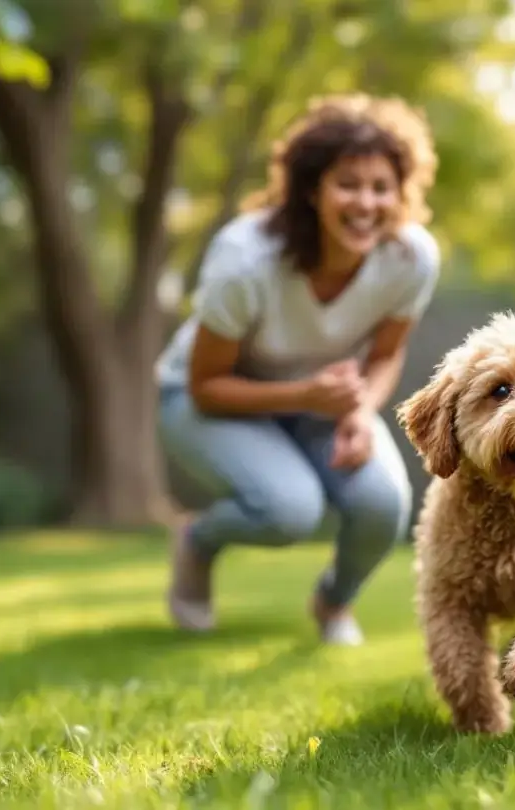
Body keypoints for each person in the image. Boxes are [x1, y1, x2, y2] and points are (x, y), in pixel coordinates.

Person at [154, 93, 441, 644]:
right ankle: (198, 539)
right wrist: (307, 396)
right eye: (348, 184)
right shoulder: (245, 260)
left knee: (383, 505)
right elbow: (206, 386)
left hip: (321, 400)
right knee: (288, 511)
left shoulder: (410, 258)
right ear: (312, 190)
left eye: (382, 187)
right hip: (204, 401)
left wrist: (358, 410)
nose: (366, 203)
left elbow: (384, 355)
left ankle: (334, 603)